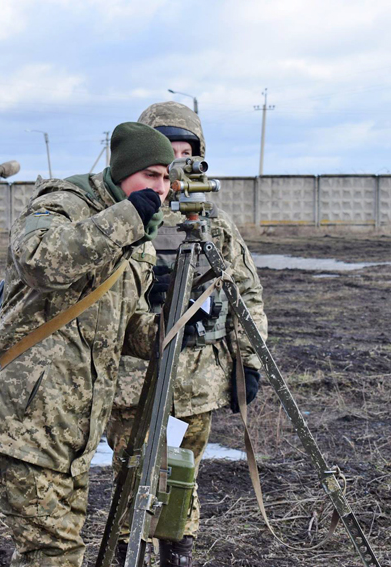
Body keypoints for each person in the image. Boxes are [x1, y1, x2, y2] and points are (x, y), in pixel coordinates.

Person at [0, 122, 176, 566]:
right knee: (54, 555)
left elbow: (121, 329)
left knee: (56, 553)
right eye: (151, 176)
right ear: (123, 174)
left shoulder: (139, 237)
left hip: (75, 428)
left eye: (166, 178)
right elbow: (39, 261)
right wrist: (127, 219)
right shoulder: (64, 204)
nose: (162, 189)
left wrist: (171, 326)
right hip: (25, 420)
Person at [107, 101, 268, 567]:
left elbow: (246, 293)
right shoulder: (120, 217)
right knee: (132, 475)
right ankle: (125, 551)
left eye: (185, 151)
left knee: (182, 478)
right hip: (135, 380)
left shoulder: (212, 224)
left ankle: (176, 554)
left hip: (196, 381)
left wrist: (249, 362)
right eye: (166, 153)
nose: (176, 163)